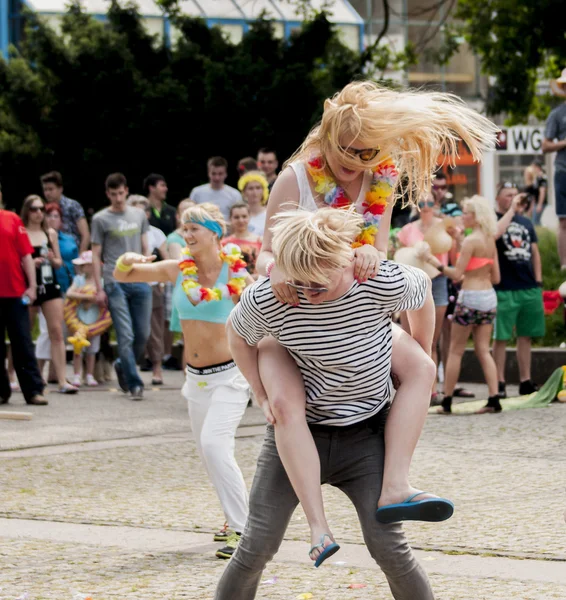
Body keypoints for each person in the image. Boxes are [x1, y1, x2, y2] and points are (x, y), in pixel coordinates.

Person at [253, 81, 498, 564]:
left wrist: (369, 252)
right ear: (327, 139)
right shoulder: (296, 178)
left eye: (367, 151)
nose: (355, 161)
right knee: (284, 404)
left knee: (423, 369)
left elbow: (378, 248)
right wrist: (276, 269)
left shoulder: (379, 178)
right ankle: (316, 526)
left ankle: (395, 486)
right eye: (346, 151)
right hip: (296, 313)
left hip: (355, 312)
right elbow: (264, 250)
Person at [218, 207, 439, 598]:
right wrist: (260, 391)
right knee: (257, 545)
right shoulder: (275, 296)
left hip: (366, 436)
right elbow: (238, 335)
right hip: (298, 437)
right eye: (300, 283)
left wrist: (423, 349)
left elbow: (421, 290)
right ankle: (316, 528)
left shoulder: (376, 280)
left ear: (347, 262)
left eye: (319, 285)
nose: (308, 294)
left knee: (389, 547)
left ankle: (397, 486)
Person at [112, 203, 253, 560]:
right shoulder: (179, 270)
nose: (186, 235)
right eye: (184, 229)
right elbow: (123, 276)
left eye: (194, 229)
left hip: (231, 376)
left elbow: (264, 310)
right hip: (196, 379)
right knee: (210, 454)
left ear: (215, 234)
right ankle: (231, 518)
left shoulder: (236, 274)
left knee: (214, 445)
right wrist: (128, 257)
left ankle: (244, 529)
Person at [422, 196, 501, 414]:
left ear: (476, 217)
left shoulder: (471, 241)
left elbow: (456, 274)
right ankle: (494, 398)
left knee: (455, 351)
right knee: (484, 350)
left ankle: (446, 402)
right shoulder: (488, 239)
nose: (462, 216)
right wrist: (458, 241)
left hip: (470, 298)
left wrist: (432, 261)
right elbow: (496, 278)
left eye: (466, 212)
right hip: (488, 297)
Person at [91, 173, 152, 401]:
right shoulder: (100, 219)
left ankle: (121, 364)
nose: (117, 198)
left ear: (126, 191)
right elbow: (96, 254)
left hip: (139, 278)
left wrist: (149, 269)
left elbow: (146, 245)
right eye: (113, 194)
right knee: (125, 335)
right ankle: (135, 384)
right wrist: (99, 287)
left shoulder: (138, 215)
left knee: (143, 334)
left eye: (120, 193)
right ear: (108, 194)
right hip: (114, 281)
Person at [397, 193, 453, 402]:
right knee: (408, 339)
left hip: (437, 282)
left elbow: (455, 253)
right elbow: (400, 256)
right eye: (421, 203)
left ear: (436, 204)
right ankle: (409, 388)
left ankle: (431, 391)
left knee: (432, 339)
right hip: (411, 283)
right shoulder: (407, 230)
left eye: (430, 202)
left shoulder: (445, 225)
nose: (426, 206)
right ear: (416, 206)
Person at [492, 182, 545, 398]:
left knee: (526, 336)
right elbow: (494, 235)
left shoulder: (526, 222)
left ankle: (525, 381)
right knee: (501, 337)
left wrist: (539, 282)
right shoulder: (494, 220)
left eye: (515, 195)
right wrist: (512, 210)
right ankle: (499, 382)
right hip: (504, 288)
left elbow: (535, 252)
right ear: (498, 198)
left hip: (529, 287)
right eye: (508, 195)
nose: (513, 198)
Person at [21, 195, 78, 394]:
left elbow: (59, 263)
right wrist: (31, 263)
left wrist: (53, 259)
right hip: (28, 285)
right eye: (34, 209)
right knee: (22, 332)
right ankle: (16, 376)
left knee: (56, 331)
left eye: (41, 209)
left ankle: (62, 379)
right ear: (27, 211)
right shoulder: (21, 232)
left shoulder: (50, 233)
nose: (39, 213)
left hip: (49, 283)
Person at [0, 206, 46, 405]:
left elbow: (26, 255)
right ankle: (2, 391)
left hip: (15, 292)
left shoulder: (12, 219)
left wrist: (33, 286)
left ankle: (34, 390)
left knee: (23, 342)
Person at [35, 202, 79, 380]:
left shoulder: (68, 239)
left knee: (59, 330)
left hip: (67, 287)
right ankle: (38, 373)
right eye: (49, 215)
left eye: (56, 216)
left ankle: (55, 374)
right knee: (46, 331)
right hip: (45, 286)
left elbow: (74, 264)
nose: (52, 219)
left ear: (61, 220)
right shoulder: (40, 236)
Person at [128, 194, 168, 385]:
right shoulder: (124, 232)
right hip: (128, 284)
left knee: (155, 329)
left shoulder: (156, 233)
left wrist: (162, 279)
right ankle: (130, 368)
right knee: (131, 329)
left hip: (151, 285)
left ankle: (157, 368)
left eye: (143, 210)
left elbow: (166, 257)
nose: (140, 214)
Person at [542, 68, 566, 268]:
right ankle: (564, 265)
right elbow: (545, 145)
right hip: (563, 171)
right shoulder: (557, 115)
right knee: (564, 221)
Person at [67, 251, 101, 387]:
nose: (82, 268)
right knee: (78, 348)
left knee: (92, 350)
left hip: (95, 321)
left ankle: (89, 375)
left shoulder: (100, 282)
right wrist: (87, 297)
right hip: (79, 321)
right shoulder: (78, 280)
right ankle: (76, 375)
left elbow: (103, 300)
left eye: (85, 265)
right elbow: (70, 293)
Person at [41, 171, 90, 252]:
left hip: (73, 252)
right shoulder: (43, 208)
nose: (47, 193)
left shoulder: (73, 205)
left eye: (51, 189)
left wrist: (80, 257)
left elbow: (85, 234)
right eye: (45, 190)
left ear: (60, 189)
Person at [190, 157, 241, 222]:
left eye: (220, 174)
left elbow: (239, 217)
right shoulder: (196, 193)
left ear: (226, 174)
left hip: (227, 231)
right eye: (213, 174)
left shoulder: (235, 194)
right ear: (208, 173)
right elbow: (190, 216)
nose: (217, 178)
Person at [223, 203, 262, 276]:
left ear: (249, 217)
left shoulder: (260, 241)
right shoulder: (224, 243)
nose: (241, 220)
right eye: (236, 217)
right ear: (230, 219)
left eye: (244, 216)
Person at [237, 170, 268, 236]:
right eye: (251, 188)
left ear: (263, 191)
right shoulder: (238, 214)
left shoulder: (269, 214)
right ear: (244, 192)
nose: (255, 192)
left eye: (258, 188)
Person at [524, 159, 547, 225]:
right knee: (535, 221)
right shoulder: (536, 178)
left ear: (538, 167)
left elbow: (542, 192)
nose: (532, 169)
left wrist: (539, 205)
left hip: (540, 203)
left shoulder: (542, 177)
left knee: (535, 221)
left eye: (533, 167)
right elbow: (533, 194)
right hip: (536, 203)